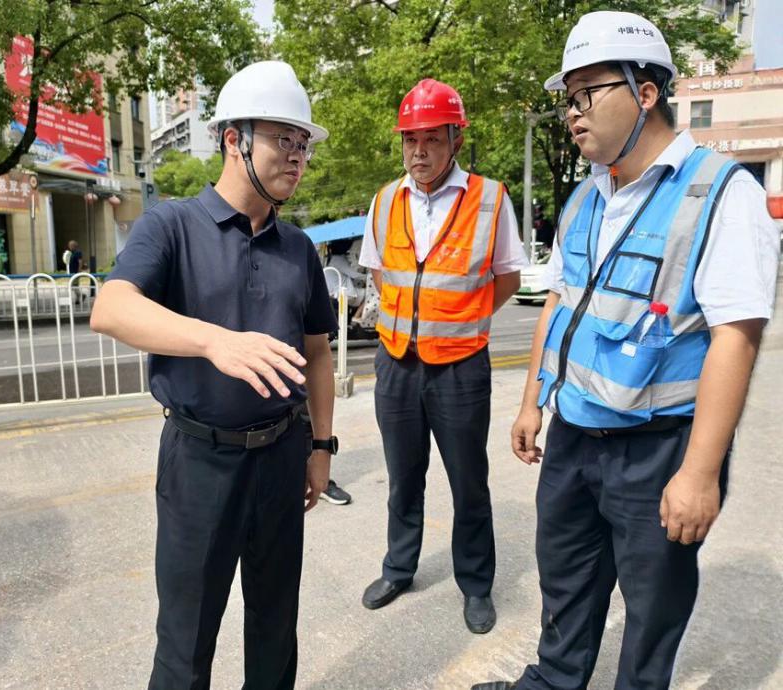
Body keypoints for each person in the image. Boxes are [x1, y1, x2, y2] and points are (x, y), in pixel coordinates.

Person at [472, 11, 780, 690]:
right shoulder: (587, 197)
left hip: (658, 447)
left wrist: (699, 473)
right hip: (575, 436)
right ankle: (555, 681)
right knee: (566, 580)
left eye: (587, 94)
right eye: (568, 99)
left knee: (651, 606)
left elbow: (736, 336)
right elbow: (560, 302)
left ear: (645, 93)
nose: (572, 113)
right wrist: (532, 401)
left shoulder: (719, 193)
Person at [90, 60, 338, 690]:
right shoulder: (171, 225)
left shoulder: (297, 248)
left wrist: (320, 447)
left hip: (281, 455)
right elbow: (111, 308)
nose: (297, 156)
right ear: (234, 140)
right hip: (199, 461)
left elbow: (318, 351)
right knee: (186, 638)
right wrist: (213, 341)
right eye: (283, 139)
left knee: (276, 626)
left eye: (303, 143)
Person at [358, 78, 528, 633]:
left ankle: (476, 584)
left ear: (456, 139)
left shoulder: (490, 199)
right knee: (403, 478)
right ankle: (398, 568)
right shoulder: (386, 200)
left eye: (432, 138)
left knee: (468, 482)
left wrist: (462, 319)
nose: (419, 152)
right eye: (411, 139)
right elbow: (380, 272)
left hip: (460, 368)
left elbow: (507, 278)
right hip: (396, 364)